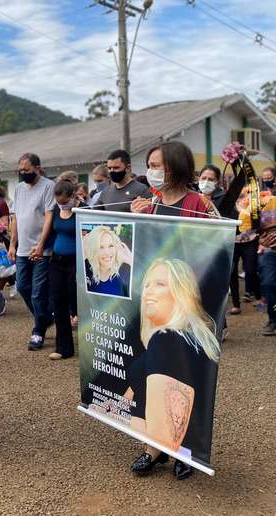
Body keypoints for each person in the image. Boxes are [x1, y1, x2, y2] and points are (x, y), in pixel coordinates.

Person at [128, 141, 217, 480]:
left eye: (157, 164)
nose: (151, 170)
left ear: (176, 166)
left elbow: (215, 247)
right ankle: (154, 446)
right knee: (148, 369)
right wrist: (137, 218)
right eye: (149, 164)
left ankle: (181, 447)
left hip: (186, 305)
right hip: (157, 306)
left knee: (184, 376)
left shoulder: (197, 202)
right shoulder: (150, 204)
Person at [128, 258, 221, 480]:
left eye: (160, 284)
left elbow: (172, 417)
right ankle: (160, 451)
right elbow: (137, 390)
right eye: (147, 284)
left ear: (181, 291)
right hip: (166, 433)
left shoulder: (168, 339)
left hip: (174, 436)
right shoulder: (165, 337)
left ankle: (162, 452)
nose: (149, 290)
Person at [8, 153, 55, 351]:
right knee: (22, 287)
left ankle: (38, 330)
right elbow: (17, 218)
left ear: (37, 167)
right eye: (21, 170)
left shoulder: (48, 186)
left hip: (41, 249)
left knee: (37, 293)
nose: (23, 173)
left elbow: (48, 216)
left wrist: (42, 244)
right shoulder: (19, 189)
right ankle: (44, 318)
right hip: (22, 249)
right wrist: (12, 244)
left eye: (27, 170)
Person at [45, 181, 83, 360]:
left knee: (74, 295)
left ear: (73, 195)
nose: (62, 204)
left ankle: (86, 340)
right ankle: (63, 347)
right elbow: (50, 232)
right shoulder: (55, 210)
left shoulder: (83, 210)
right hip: (57, 260)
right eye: (59, 201)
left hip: (76, 261)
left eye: (65, 200)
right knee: (58, 302)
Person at [131, 142, 216, 219]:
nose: (149, 171)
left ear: (176, 167)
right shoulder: (152, 204)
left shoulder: (201, 203)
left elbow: (218, 234)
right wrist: (140, 218)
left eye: (155, 166)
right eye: (149, 166)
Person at [83, 225, 132, 297]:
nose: (107, 253)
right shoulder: (86, 267)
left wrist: (131, 261)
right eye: (101, 247)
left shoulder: (124, 272)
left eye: (111, 246)